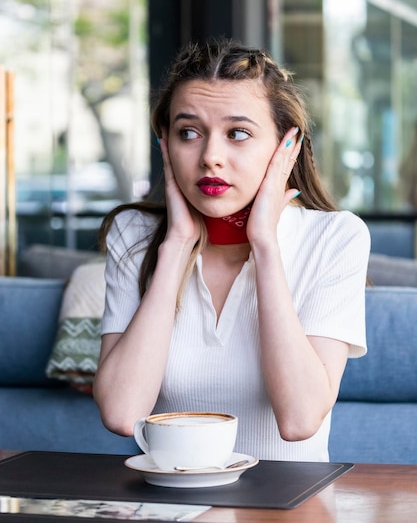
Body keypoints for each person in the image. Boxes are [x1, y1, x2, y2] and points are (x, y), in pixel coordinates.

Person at [93, 39, 370, 462]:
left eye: (238, 133)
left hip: (285, 505)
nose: (210, 158)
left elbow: (299, 420)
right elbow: (120, 413)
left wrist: (264, 245)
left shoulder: (336, 237)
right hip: (172, 502)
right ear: (165, 144)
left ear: (286, 146)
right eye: (188, 133)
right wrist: (177, 245)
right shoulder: (133, 233)